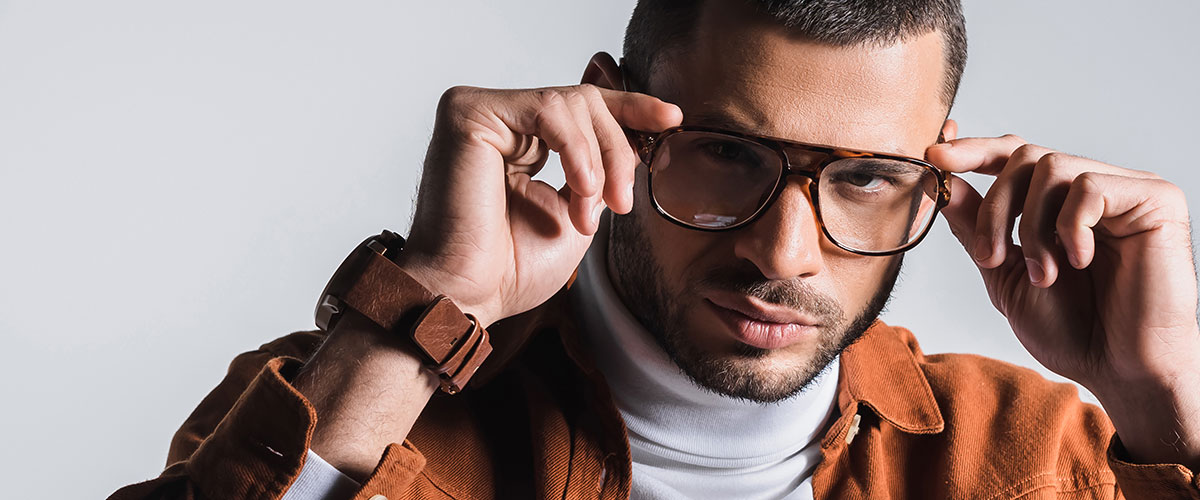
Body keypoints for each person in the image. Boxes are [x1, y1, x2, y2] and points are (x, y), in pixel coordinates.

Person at [110, 0, 1200, 498]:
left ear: (939, 174)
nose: (785, 255)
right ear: (610, 115)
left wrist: (1169, 404)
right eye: (727, 153)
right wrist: (433, 297)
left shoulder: (1040, 456)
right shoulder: (338, 403)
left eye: (866, 177)